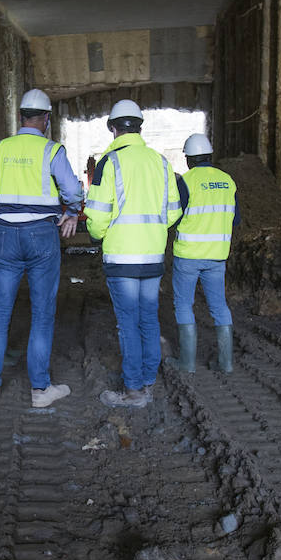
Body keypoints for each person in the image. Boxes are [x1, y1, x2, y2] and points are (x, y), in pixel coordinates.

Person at [0, 88, 84, 407]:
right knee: (42, 313)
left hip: (4, 234)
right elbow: (73, 190)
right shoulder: (51, 150)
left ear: (20, 117)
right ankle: (40, 391)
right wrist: (71, 213)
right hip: (41, 235)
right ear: (46, 119)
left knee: (0, 312)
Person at [85, 99, 181, 407]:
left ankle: (134, 389)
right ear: (139, 127)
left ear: (112, 128)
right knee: (148, 318)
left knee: (127, 323)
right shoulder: (161, 162)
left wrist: (101, 235)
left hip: (121, 257)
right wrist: (153, 232)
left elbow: (97, 217)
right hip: (152, 255)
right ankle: (149, 379)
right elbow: (173, 212)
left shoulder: (109, 163)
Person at [168, 133, 239, 373]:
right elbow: (235, 218)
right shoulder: (227, 180)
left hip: (188, 255)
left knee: (184, 305)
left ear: (189, 159)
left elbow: (173, 216)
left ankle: (187, 363)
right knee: (219, 307)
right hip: (217, 255)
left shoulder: (186, 181)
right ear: (210, 156)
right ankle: (226, 363)